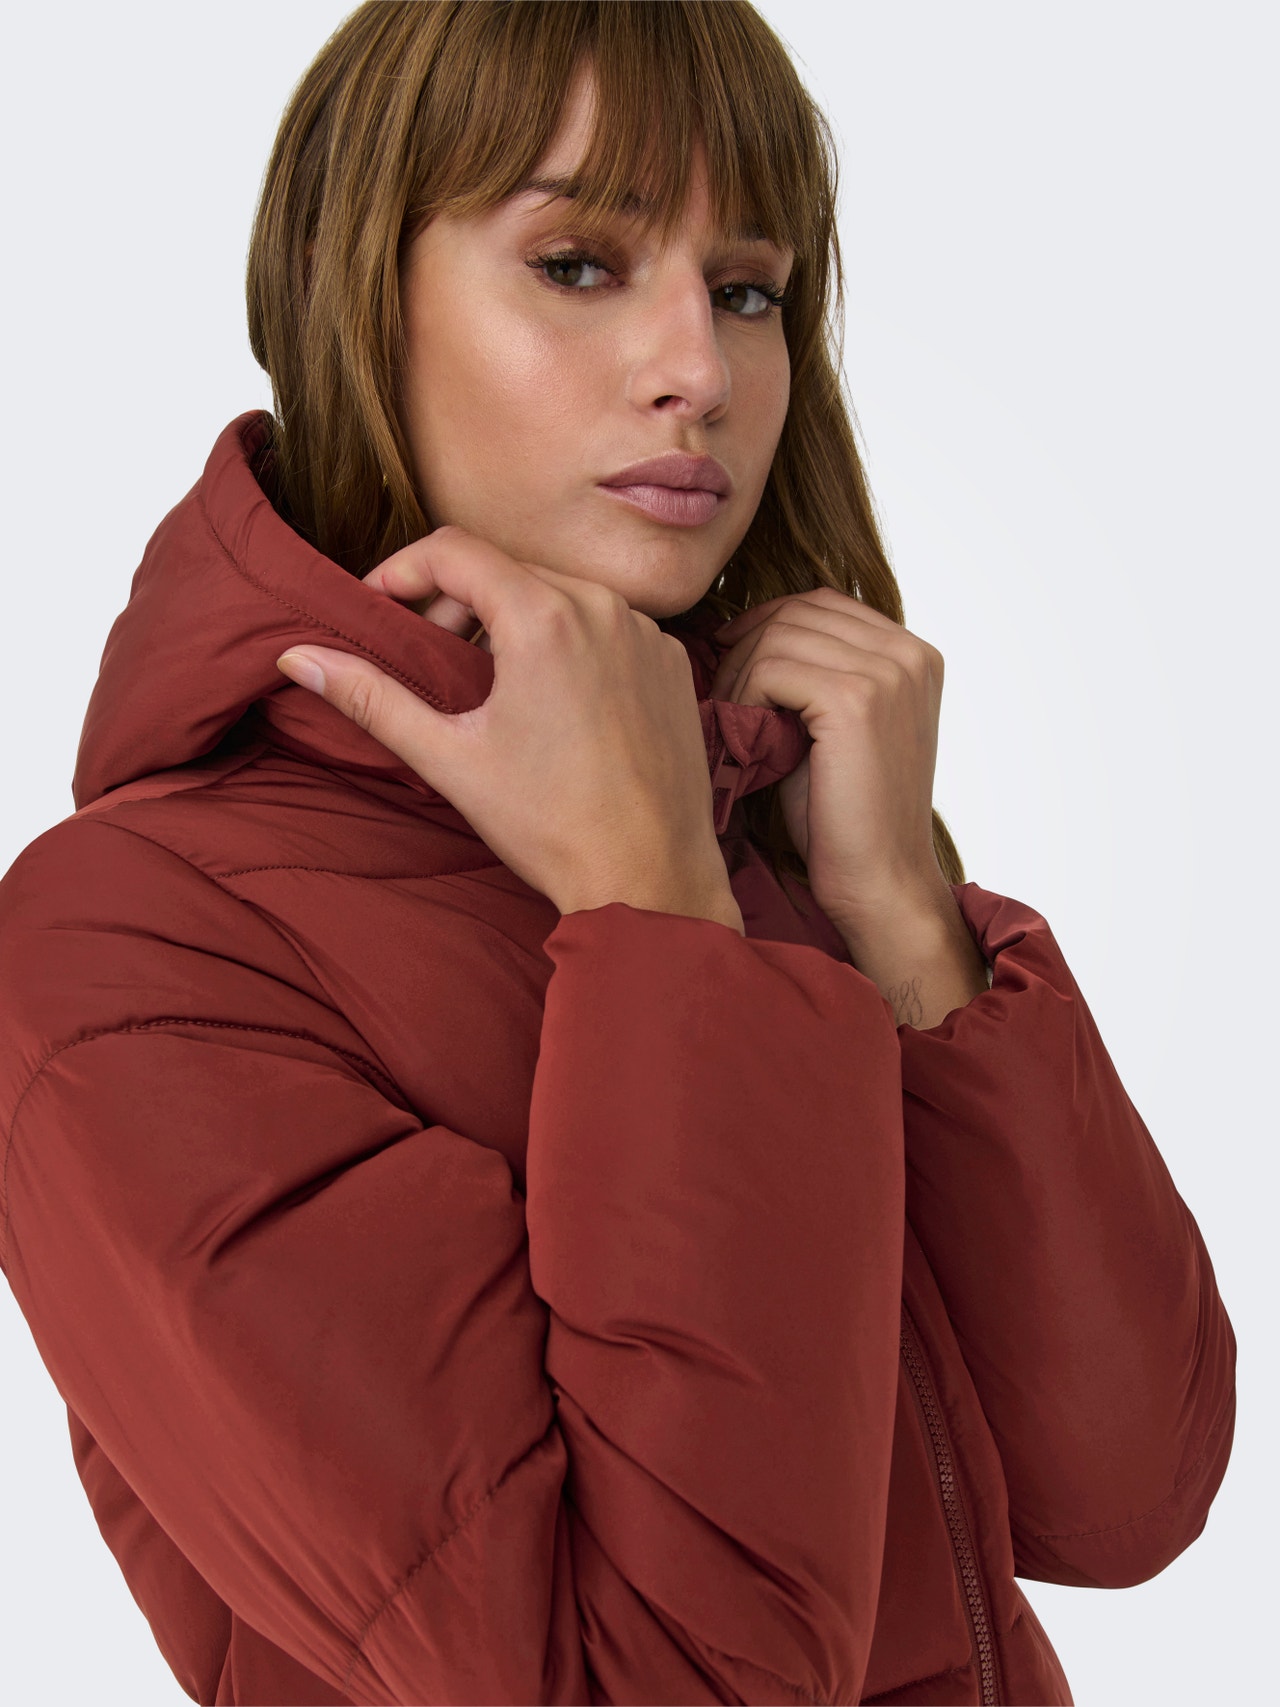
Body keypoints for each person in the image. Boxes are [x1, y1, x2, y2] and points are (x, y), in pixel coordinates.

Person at [0, 4, 1235, 1704]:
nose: (702, 372)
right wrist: (651, 915)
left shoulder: (761, 817)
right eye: (577, 264)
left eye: (747, 290)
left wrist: (903, 920)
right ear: (354, 293)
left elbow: (1125, 1494)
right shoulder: (128, 949)